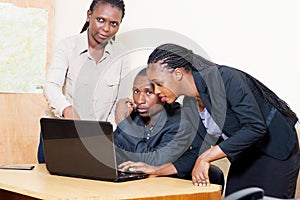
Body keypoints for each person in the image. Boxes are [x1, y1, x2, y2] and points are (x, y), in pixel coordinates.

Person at [143, 43, 299, 199]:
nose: (156, 91)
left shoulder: (225, 78)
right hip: (244, 156)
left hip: (275, 151)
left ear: (178, 73)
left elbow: (255, 127)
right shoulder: (190, 104)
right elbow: (198, 151)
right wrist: (158, 171)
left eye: (159, 83)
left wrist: (206, 157)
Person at [38, 0, 127, 163]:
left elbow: (120, 102)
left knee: (88, 188)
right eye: (101, 20)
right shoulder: (66, 46)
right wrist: (67, 110)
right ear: (89, 15)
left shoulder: (121, 56)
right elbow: (51, 86)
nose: (106, 28)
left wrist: (107, 133)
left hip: (97, 141)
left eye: (114, 23)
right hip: (59, 136)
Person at [114, 68, 225, 189]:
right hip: (138, 185)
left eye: (148, 92)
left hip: (172, 185)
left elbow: (154, 163)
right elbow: (114, 154)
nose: (140, 100)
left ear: (161, 92)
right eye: (136, 91)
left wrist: (123, 123)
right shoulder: (133, 115)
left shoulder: (180, 121)